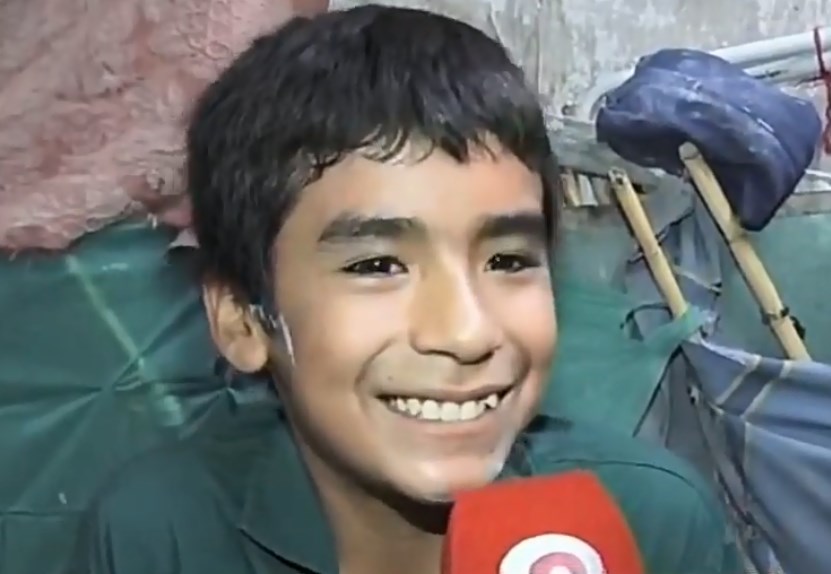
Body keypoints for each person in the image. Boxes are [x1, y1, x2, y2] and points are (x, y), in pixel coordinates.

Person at [66, 5, 741, 574]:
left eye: (508, 259)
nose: (467, 332)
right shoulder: (162, 535)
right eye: (376, 266)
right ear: (244, 318)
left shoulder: (650, 525)